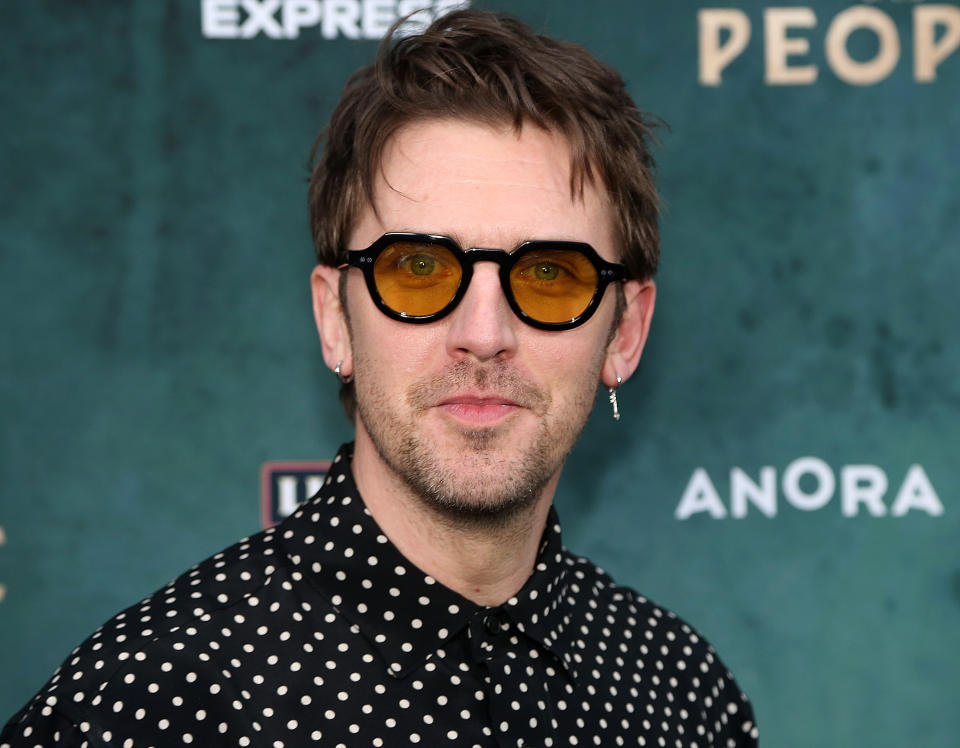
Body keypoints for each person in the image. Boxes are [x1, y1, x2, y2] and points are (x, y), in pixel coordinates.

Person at [2, 9, 758, 747]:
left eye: (550, 275)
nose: (483, 335)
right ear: (335, 320)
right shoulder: (146, 704)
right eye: (420, 270)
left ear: (624, 332)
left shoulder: (681, 693)